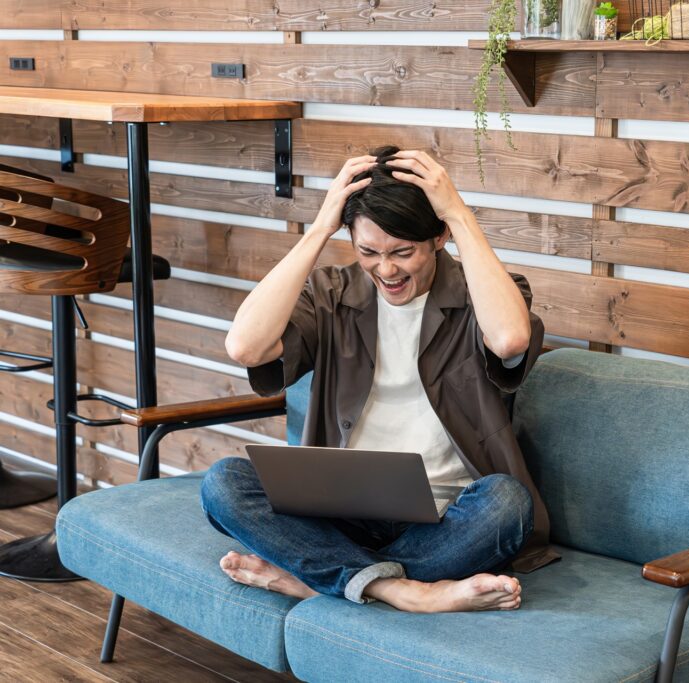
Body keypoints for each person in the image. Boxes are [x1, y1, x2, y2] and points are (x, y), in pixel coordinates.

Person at [200, 146, 559, 613]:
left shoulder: (484, 292)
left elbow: (510, 340)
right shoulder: (332, 293)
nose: (386, 270)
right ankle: (402, 591)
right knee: (224, 482)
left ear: (439, 237)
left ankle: (321, 579)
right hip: (338, 514)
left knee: (508, 503)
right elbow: (245, 347)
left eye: (403, 252)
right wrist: (320, 229)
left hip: (444, 518)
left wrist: (460, 215)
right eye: (368, 251)